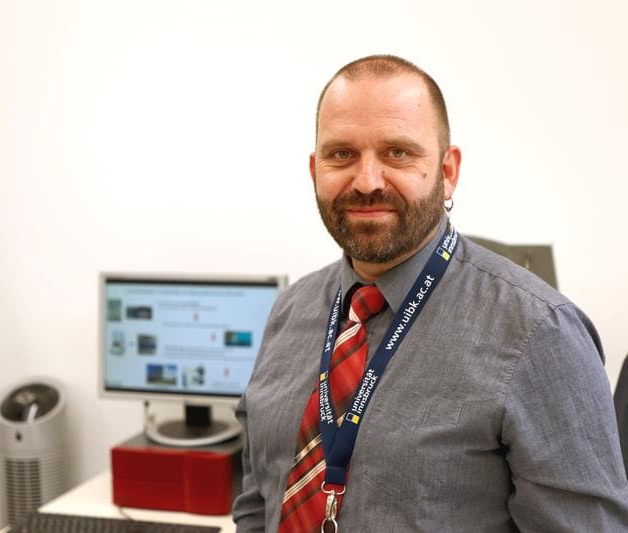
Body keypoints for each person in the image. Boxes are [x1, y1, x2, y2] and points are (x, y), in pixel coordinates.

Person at [232, 55, 628, 532]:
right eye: (342, 155)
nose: (367, 181)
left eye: (398, 152)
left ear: (448, 170)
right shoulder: (290, 310)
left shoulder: (541, 332)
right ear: (315, 169)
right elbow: (259, 498)